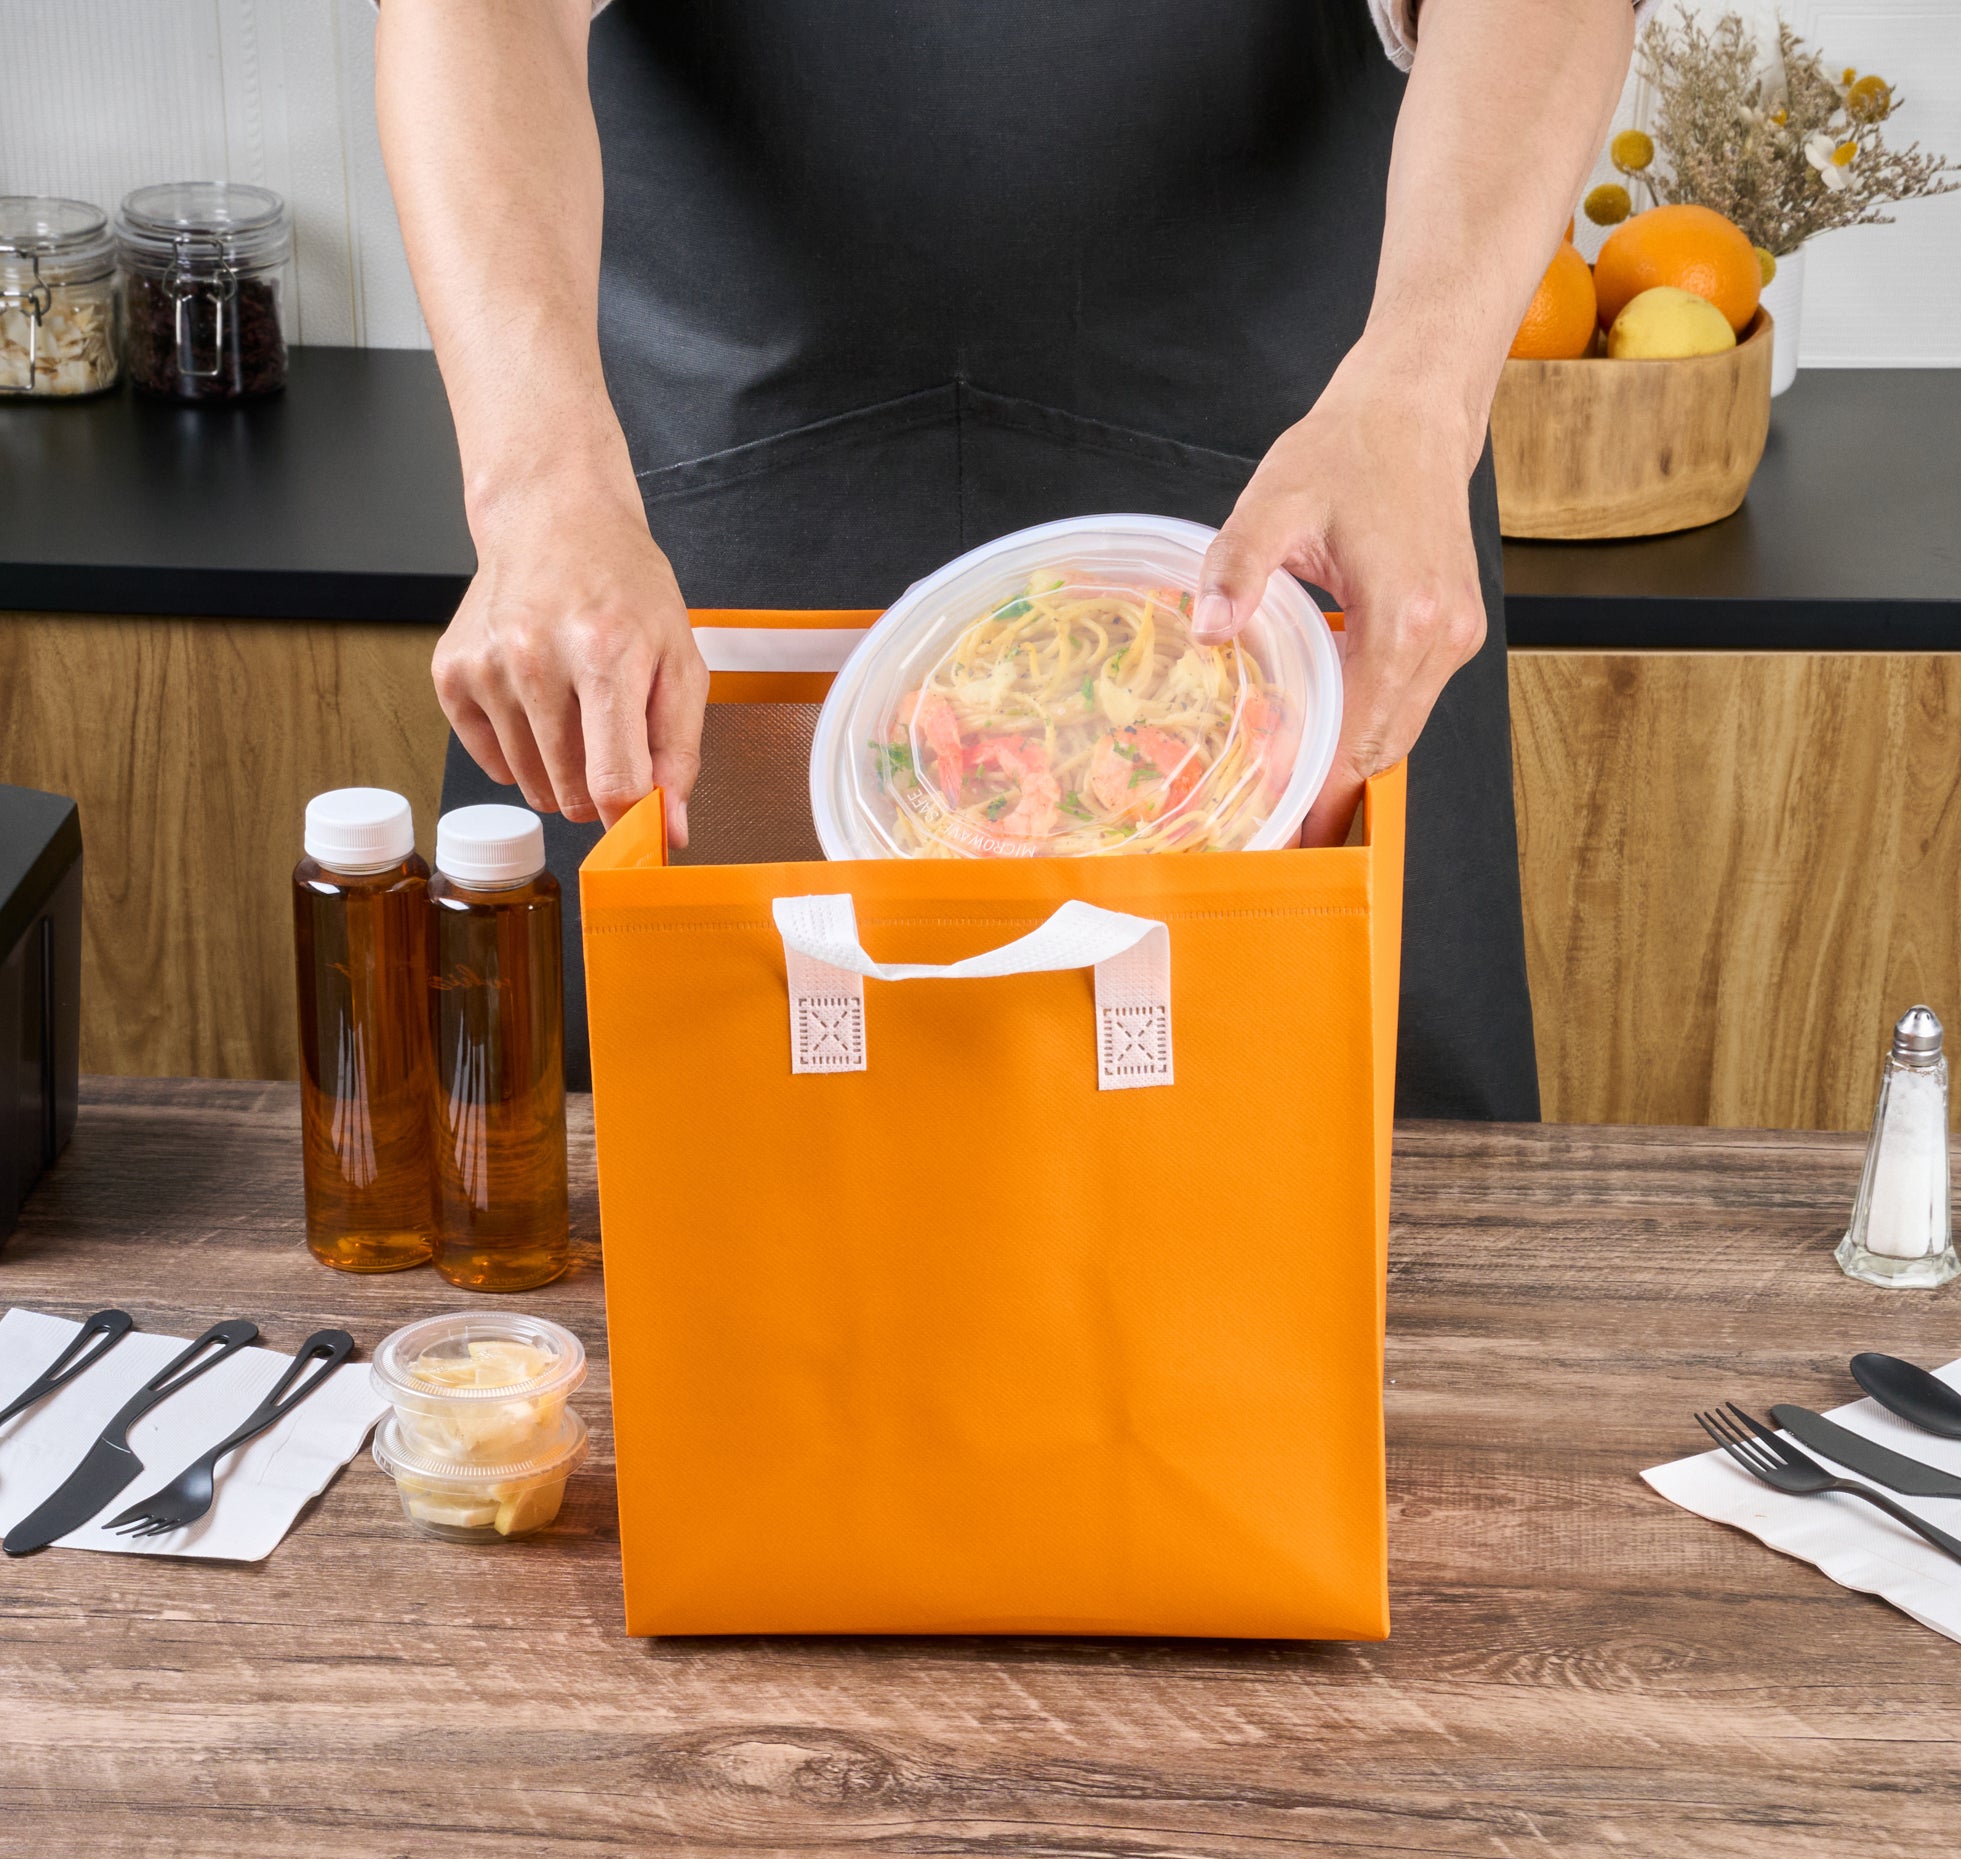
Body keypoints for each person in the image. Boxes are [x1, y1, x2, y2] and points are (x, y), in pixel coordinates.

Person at [377, 0, 1646, 1114]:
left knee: (1334, 1215)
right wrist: (541, 487)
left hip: (1290, 526)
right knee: (668, 1212)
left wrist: (1418, 397)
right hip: (710, 520)